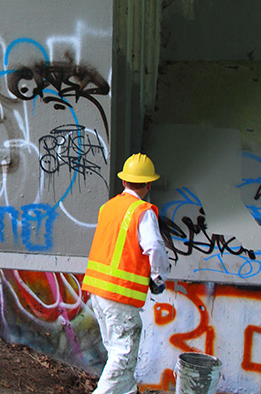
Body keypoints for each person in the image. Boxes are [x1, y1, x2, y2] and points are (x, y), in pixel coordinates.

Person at [81, 153, 171, 394]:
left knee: (118, 354)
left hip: (98, 291)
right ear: (149, 184)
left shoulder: (108, 207)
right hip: (119, 296)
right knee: (123, 354)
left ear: (123, 181)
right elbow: (153, 246)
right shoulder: (143, 211)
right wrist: (159, 276)